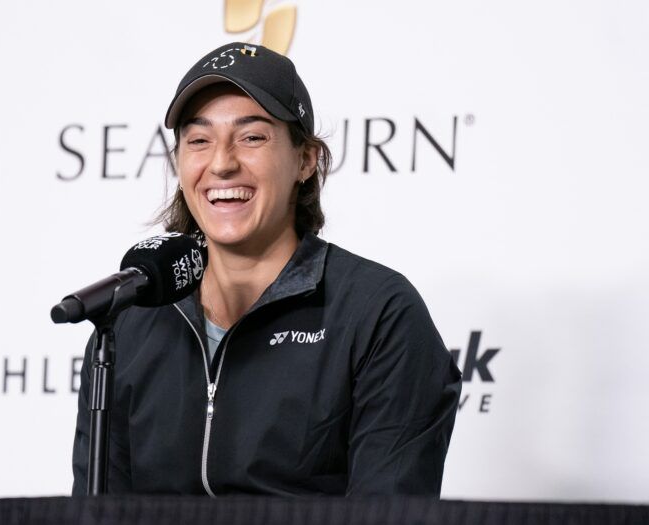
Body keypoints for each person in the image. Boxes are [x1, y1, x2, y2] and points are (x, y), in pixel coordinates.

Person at [72, 42, 461, 497]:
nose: (221, 163)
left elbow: (389, 512)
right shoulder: (131, 320)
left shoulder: (378, 312)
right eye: (199, 140)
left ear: (305, 159)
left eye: (252, 137)